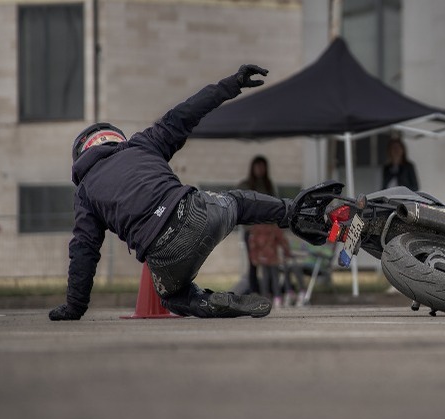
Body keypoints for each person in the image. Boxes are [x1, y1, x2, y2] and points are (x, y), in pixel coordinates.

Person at [49, 64, 321, 321]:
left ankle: (205, 301)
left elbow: (84, 249)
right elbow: (187, 112)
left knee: (171, 296)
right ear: (116, 138)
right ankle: (297, 211)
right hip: (194, 212)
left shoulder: (86, 191)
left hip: (163, 253)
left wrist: (75, 306)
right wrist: (231, 84)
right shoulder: (142, 144)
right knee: (238, 203)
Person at [236, 155, 276, 295]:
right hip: (252, 232)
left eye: (262, 166)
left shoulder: (268, 186)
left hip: (266, 233)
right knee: (253, 263)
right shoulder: (245, 186)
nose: (260, 169)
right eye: (257, 166)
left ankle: (269, 291)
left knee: (269, 263)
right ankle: (254, 291)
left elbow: (274, 208)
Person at [248, 223, 292, 308]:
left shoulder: (257, 227)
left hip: (262, 255)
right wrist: (287, 253)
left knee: (265, 277)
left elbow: (253, 242)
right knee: (274, 277)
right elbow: (282, 240)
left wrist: (254, 256)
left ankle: (265, 298)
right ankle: (277, 298)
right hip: (272, 255)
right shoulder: (273, 226)